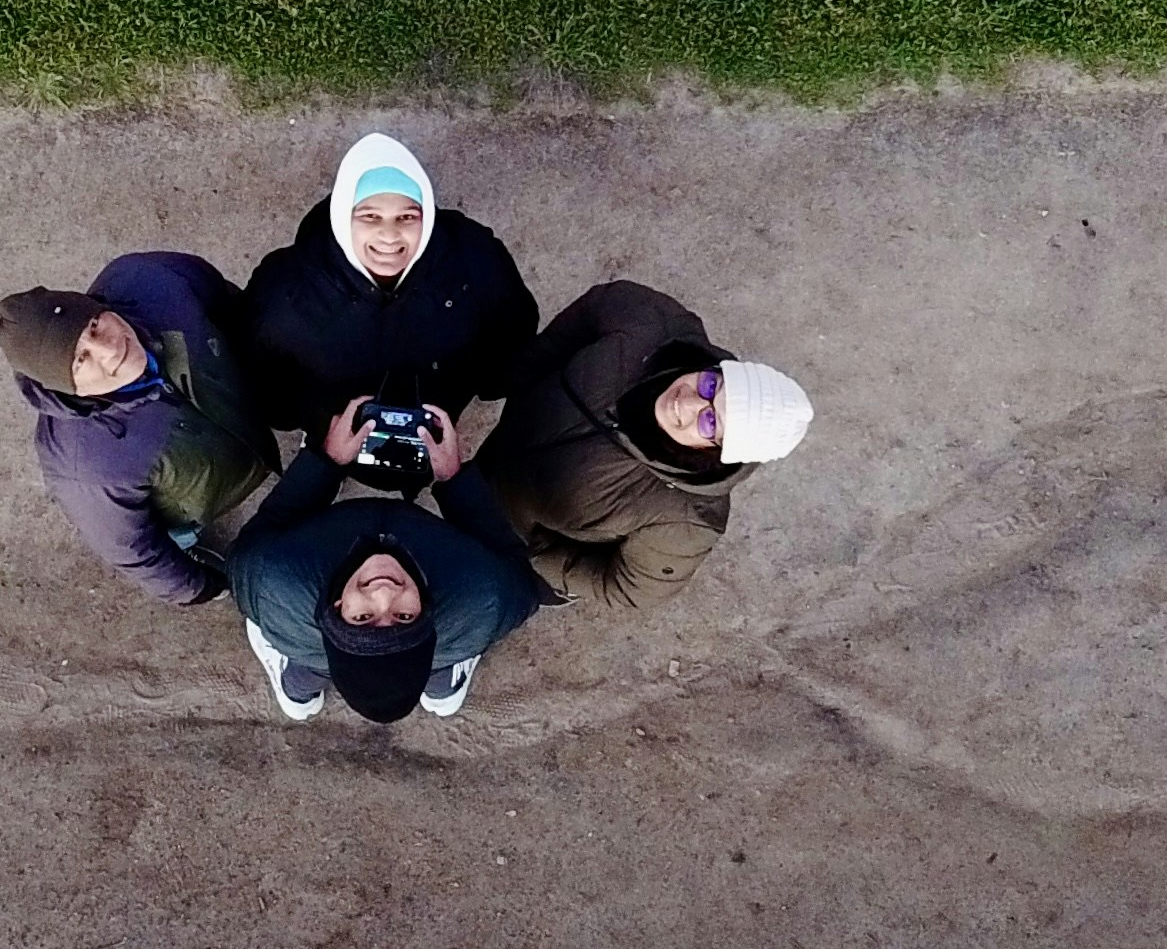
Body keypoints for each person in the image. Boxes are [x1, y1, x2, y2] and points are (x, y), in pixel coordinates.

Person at [476, 281, 813, 613]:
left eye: (710, 423)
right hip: (493, 457)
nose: (689, 403)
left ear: (717, 453)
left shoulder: (685, 523)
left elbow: (630, 589)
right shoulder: (650, 323)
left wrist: (536, 554)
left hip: (515, 547)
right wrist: (519, 376)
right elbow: (596, 308)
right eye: (711, 385)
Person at [229, 395, 548, 721]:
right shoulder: (484, 596)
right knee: (443, 657)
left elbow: (248, 550)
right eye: (405, 618)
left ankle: (299, 696)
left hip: (305, 639)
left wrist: (325, 463)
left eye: (363, 618)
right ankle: (442, 687)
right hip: (454, 636)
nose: (383, 593)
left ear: (338, 609)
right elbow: (522, 584)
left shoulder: (276, 580)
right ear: (426, 611)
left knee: (309, 662)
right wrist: (454, 480)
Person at [239, 131, 539, 472]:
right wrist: (312, 424)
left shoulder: (477, 259)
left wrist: (491, 385)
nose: (390, 234)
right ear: (341, 215)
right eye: (369, 216)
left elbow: (514, 328)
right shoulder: (280, 289)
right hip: (335, 431)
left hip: (434, 427)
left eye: (407, 216)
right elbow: (262, 378)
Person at [0, 253, 274, 607]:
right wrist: (199, 588)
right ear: (65, 387)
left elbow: (232, 305)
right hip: (197, 498)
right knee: (169, 538)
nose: (111, 350)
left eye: (94, 325)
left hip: (236, 421)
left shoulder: (153, 278)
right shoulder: (84, 469)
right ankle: (188, 543)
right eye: (82, 360)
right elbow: (135, 550)